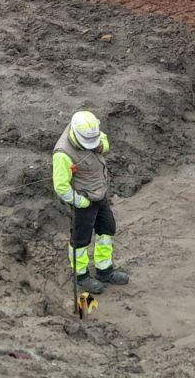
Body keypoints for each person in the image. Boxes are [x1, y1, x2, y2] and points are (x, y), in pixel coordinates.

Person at [52, 109, 127, 294]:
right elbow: (61, 186)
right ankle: (81, 275)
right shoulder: (62, 154)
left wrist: (101, 146)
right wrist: (79, 202)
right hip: (84, 200)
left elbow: (104, 142)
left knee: (107, 229)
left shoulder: (89, 128)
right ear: (76, 135)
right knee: (81, 239)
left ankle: (104, 270)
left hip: (100, 195)